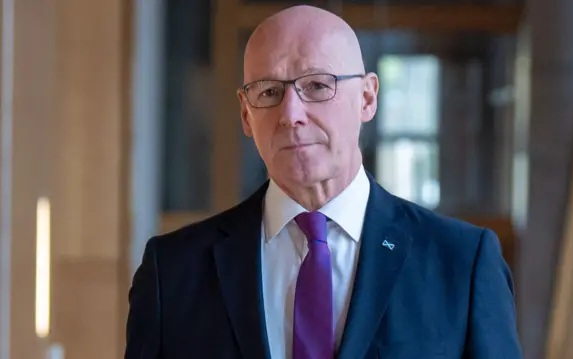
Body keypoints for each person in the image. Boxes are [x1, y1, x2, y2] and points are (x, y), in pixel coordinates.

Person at [124, 5, 522, 359]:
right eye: (269, 91)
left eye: (317, 85)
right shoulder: (173, 272)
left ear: (367, 98)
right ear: (246, 115)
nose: (291, 113)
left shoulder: (462, 264)